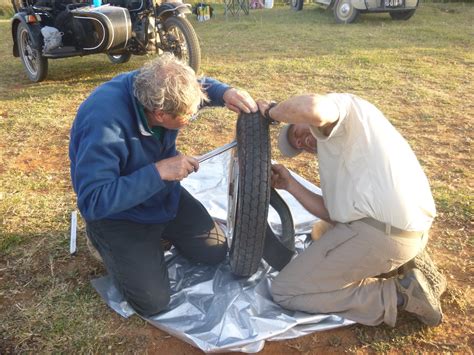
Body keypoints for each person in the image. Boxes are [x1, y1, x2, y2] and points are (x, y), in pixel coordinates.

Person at [69, 54, 258, 317]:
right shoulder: (103, 124)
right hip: (119, 214)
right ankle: (100, 240)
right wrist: (159, 172)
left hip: (162, 195)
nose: (193, 117)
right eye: (188, 116)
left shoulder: (156, 85)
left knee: (215, 251)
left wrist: (224, 92)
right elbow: (94, 201)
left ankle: (159, 233)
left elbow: (196, 87)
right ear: (159, 113)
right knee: (153, 302)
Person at [257, 93, 447, 327]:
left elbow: (312, 107)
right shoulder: (355, 139)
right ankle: (406, 263)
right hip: (410, 230)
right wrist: (290, 185)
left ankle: (399, 294)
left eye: (296, 132)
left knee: (286, 290)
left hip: (384, 236)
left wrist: (271, 111)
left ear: (300, 118)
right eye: (298, 147)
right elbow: (334, 214)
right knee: (321, 231)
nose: (300, 143)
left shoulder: (342, 109)